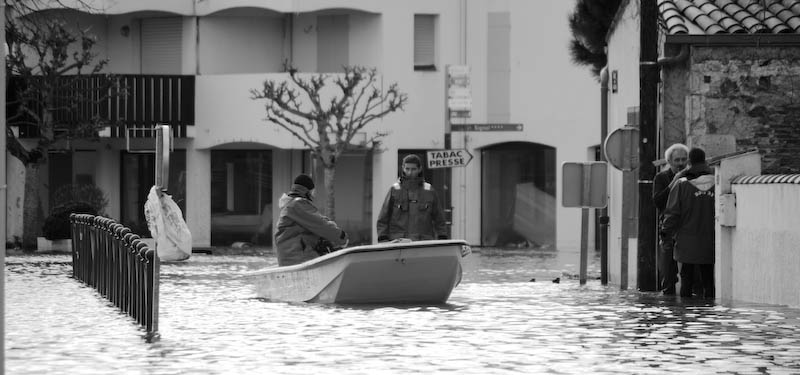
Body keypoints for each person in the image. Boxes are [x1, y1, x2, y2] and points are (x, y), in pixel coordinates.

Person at [660, 147, 715, 299]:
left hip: (686, 244)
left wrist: (665, 235)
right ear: (705, 161)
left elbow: (672, 214)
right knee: (709, 281)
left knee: (686, 282)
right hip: (711, 243)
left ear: (689, 162)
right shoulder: (717, 183)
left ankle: (686, 317)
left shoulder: (681, 185)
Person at [274, 174, 348, 266]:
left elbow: (316, 225)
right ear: (306, 191)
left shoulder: (291, 206)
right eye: (312, 192)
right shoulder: (298, 205)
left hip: (292, 259)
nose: (313, 196)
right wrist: (341, 237)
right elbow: (321, 225)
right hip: (298, 259)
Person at [377, 154, 448, 242]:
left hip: (423, 243)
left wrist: (442, 237)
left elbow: (439, 218)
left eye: (413, 169)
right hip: (399, 243)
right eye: (407, 169)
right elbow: (383, 217)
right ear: (403, 168)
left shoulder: (429, 191)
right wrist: (383, 238)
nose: (410, 172)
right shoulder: (395, 190)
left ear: (419, 169)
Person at [652, 143, 689, 295]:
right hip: (667, 231)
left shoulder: (692, 177)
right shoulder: (661, 178)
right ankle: (669, 307)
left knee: (690, 274)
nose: (681, 163)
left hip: (687, 230)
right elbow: (657, 201)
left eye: (684, 159)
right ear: (669, 161)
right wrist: (674, 181)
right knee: (668, 273)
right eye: (677, 160)